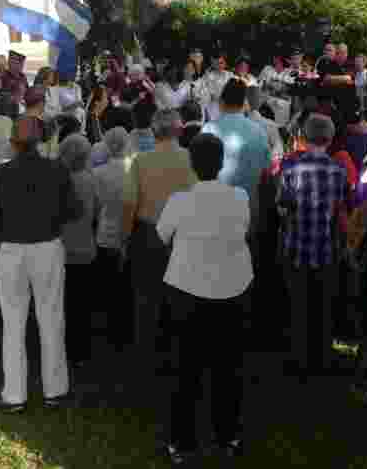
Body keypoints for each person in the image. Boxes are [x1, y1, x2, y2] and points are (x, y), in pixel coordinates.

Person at [157, 133, 253, 464]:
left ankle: (184, 442)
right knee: (227, 368)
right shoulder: (239, 198)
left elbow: (161, 234)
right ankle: (227, 434)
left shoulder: (181, 201)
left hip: (190, 291)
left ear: (192, 164)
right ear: (222, 163)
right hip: (229, 290)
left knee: (186, 369)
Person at [0, 116, 81, 411]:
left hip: (13, 249)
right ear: (41, 139)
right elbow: (74, 210)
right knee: (51, 317)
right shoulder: (57, 169)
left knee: (13, 323)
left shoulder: (3, 173)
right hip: (46, 246)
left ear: (14, 142)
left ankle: (14, 394)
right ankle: (54, 390)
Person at [123, 109, 196, 372]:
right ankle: (177, 351)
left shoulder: (141, 161)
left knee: (145, 297)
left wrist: (125, 237)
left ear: (154, 131)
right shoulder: (191, 159)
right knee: (179, 296)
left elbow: (129, 204)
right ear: (179, 131)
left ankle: (146, 353)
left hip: (148, 233)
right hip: (181, 235)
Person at [278, 113, 349, 379]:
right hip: (326, 248)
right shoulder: (339, 171)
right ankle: (323, 359)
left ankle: (300, 361)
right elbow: (340, 209)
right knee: (324, 308)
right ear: (330, 140)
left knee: (299, 307)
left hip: (296, 246)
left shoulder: (290, 170)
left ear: (304, 138)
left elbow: (283, 208)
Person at [201, 79, 271, 233]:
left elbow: (198, 173)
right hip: (248, 211)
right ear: (244, 103)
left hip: (215, 212)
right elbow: (266, 172)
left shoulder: (209, 129)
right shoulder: (259, 132)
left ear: (222, 102)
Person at [57, 134, 100, 368]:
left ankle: (61, 348)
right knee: (82, 305)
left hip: (62, 250)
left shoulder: (58, 180)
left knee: (62, 303)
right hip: (84, 248)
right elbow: (97, 212)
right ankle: (80, 351)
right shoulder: (91, 180)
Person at [92, 127, 133, 349]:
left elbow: (96, 205)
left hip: (106, 231)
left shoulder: (99, 173)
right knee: (124, 284)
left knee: (108, 283)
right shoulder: (133, 169)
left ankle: (109, 325)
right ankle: (123, 326)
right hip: (127, 232)